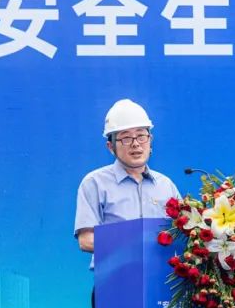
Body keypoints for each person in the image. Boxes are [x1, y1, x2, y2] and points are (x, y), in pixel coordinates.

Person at [74, 98, 181, 256]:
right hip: (115, 270)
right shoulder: (95, 183)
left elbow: (182, 231)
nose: (135, 144)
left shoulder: (165, 185)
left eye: (141, 136)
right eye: (126, 138)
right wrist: (133, 245)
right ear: (111, 147)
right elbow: (86, 240)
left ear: (150, 141)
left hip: (160, 271)